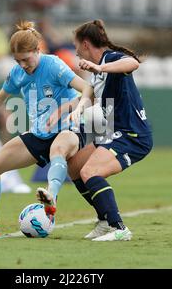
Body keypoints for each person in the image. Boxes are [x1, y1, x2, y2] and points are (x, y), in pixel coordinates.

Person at [0, 21, 93, 238]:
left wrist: (64, 110)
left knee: (58, 149)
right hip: (40, 133)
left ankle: (51, 199)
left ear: (38, 50)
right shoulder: (17, 73)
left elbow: (88, 89)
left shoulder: (54, 65)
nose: (22, 65)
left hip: (70, 127)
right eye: (17, 61)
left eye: (26, 59)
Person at [51, 20, 153, 242]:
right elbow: (90, 96)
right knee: (75, 166)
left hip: (133, 136)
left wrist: (100, 67)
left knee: (91, 172)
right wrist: (66, 109)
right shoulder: (97, 72)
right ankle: (104, 221)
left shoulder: (109, 59)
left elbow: (132, 63)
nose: (76, 51)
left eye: (76, 46)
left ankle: (119, 228)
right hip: (114, 133)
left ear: (86, 44)